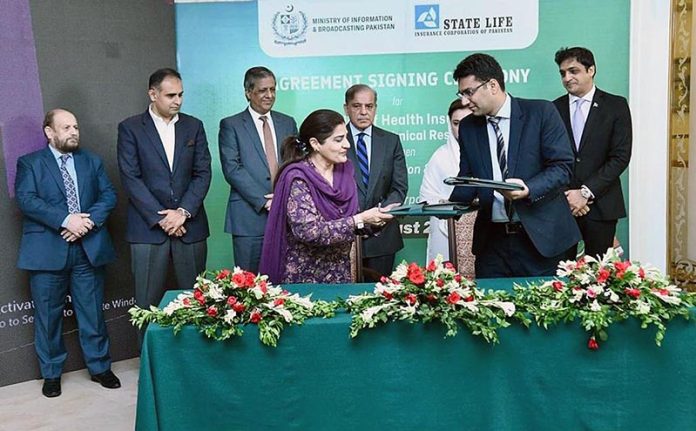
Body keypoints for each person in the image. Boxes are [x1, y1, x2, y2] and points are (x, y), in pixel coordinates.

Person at [15, 109, 120, 398]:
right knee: (48, 317)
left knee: (92, 313)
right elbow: (26, 199)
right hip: (47, 253)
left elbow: (108, 195)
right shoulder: (30, 163)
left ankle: (99, 367)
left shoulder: (92, 161)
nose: (73, 131)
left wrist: (85, 222)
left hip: (88, 250)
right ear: (49, 132)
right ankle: (51, 374)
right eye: (66, 127)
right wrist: (66, 219)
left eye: (75, 126)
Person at [449, 53, 581, 277]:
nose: (464, 101)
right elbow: (468, 178)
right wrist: (444, 206)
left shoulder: (541, 112)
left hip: (542, 239)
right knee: (491, 308)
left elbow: (562, 167)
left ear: (492, 85)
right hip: (492, 244)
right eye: (461, 94)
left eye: (469, 92)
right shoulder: (469, 127)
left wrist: (529, 189)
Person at [117, 68, 211, 328]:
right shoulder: (130, 128)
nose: (177, 101)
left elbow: (203, 173)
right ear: (152, 94)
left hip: (189, 227)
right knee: (147, 305)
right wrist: (162, 218)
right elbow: (131, 178)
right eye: (171, 95)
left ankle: (194, 364)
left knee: (195, 302)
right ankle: (150, 366)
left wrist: (182, 213)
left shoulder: (194, 126)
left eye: (181, 94)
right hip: (147, 230)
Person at [259, 109, 394, 284]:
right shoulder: (298, 178)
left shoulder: (345, 172)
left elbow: (353, 223)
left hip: (341, 277)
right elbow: (309, 232)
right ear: (315, 143)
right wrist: (359, 219)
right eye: (339, 140)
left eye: (346, 137)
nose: (347, 145)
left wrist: (378, 219)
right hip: (305, 280)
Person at [552, 47, 632, 259]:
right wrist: (570, 195)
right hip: (563, 204)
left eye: (573, 71)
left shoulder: (616, 105)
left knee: (598, 278)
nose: (567, 77)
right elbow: (548, 158)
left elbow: (620, 156)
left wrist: (585, 193)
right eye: (562, 73)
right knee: (559, 279)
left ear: (591, 70)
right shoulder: (553, 109)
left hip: (602, 205)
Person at [219, 66, 298, 273]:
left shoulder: (287, 122)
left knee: (286, 281)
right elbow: (232, 168)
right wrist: (265, 201)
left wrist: (285, 197)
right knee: (249, 285)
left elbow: (296, 163)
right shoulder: (231, 125)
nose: (269, 95)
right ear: (248, 92)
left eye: (273, 89)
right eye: (263, 90)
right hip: (248, 217)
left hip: (286, 215)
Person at [344, 84, 408, 277]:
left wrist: (379, 215)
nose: (363, 112)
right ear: (346, 108)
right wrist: (357, 219)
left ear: (375, 108)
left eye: (369, 106)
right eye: (357, 106)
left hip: (383, 236)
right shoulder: (334, 141)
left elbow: (399, 188)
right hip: (345, 235)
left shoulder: (391, 141)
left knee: (380, 298)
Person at [418, 99, 476, 275]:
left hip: (485, 232)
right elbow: (426, 198)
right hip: (445, 233)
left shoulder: (491, 152)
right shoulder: (439, 157)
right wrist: (451, 205)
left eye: (468, 122)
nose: (462, 129)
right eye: (457, 123)